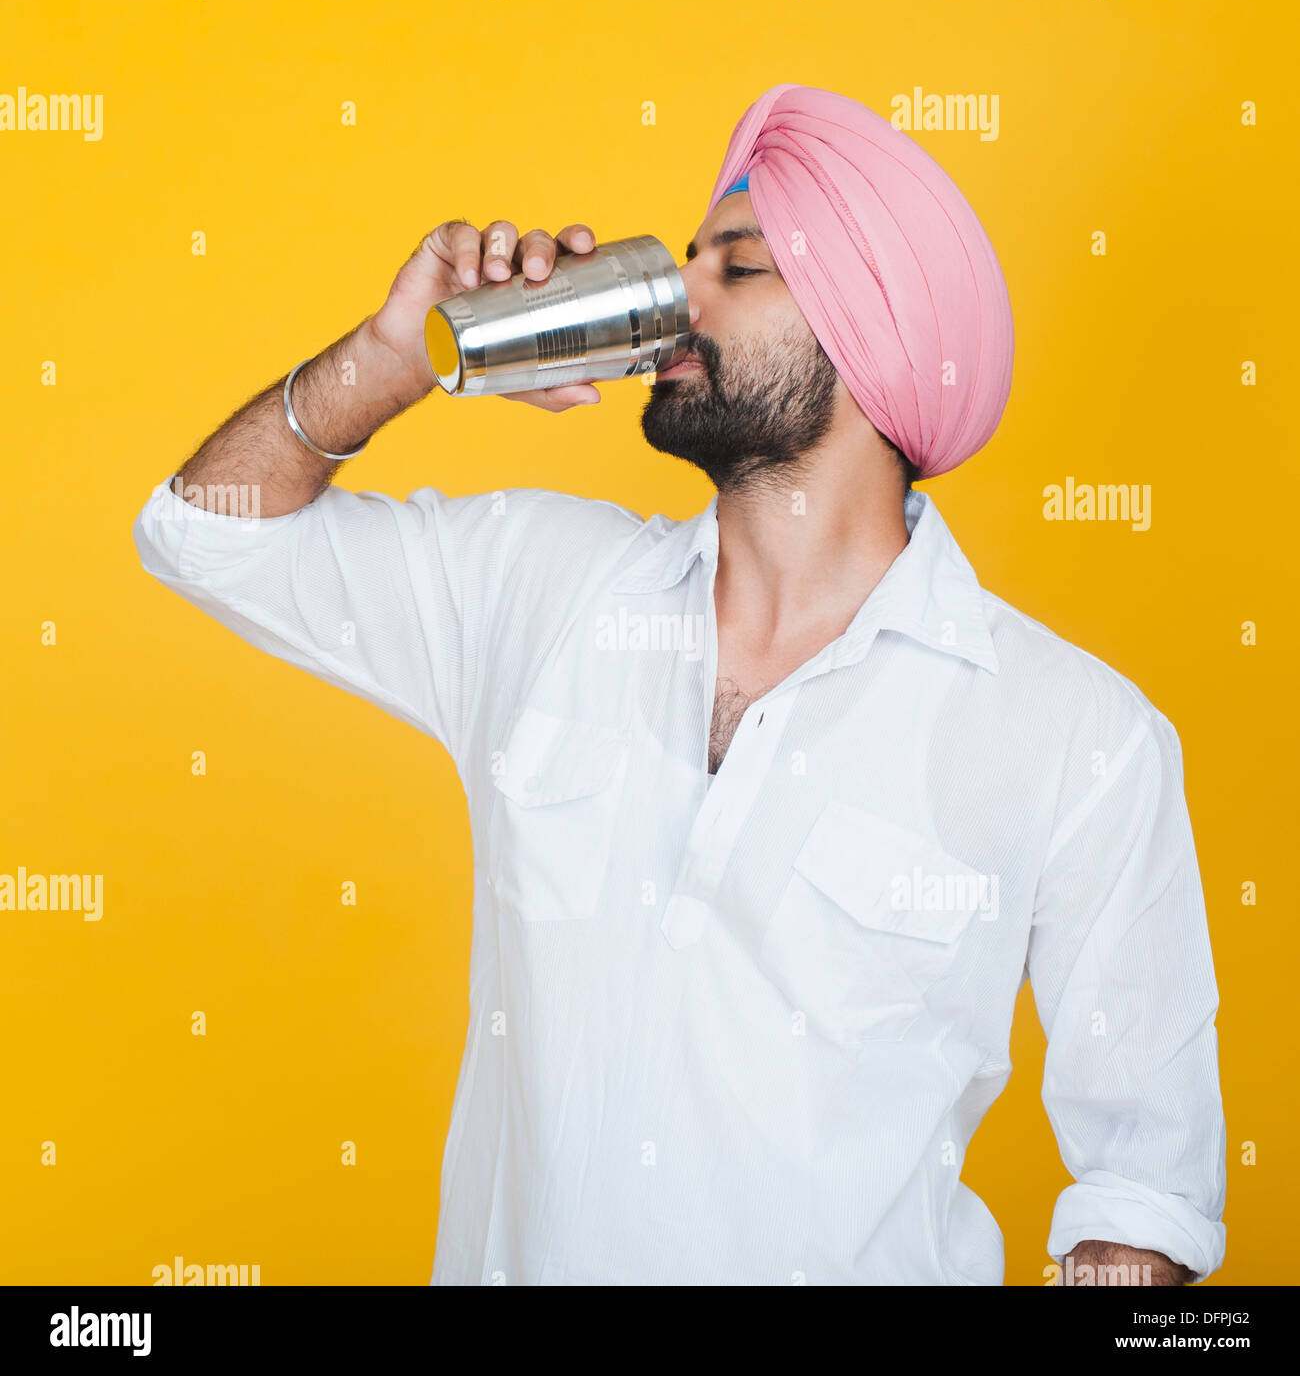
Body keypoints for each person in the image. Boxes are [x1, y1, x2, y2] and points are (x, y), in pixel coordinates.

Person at [132, 83, 1227, 1286]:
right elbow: (202, 535)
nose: (674, 305)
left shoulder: (1074, 734)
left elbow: (1146, 1194)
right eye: (684, 260)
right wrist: (394, 358)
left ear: (878, 333)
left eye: (736, 270)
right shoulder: (540, 588)